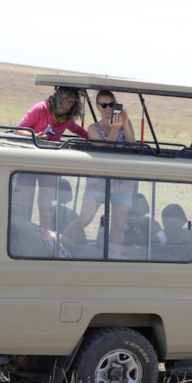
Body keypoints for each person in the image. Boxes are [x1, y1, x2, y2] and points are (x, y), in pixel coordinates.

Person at [61, 91, 137, 258]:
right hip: (99, 182)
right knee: (84, 219)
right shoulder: (92, 128)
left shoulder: (125, 122)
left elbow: (133, 146)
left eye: (111, 104)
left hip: (123, 183)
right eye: (104, 105)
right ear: (97, 107)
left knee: (118, 225)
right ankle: (59, 248)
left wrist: (124, 123)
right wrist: (114, 130)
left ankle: (114, 260)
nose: (108, 108)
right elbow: (103, 151)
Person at [13, 87, 89, 228]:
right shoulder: (40, 109)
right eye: (67, 100)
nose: (69, 105)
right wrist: (34, 136)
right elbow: (17, 130)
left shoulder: (66, 119)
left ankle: (45, 236)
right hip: (29, 160)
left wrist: (97, 138)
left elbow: (80, 131)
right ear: (58, 96)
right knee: (24, 202)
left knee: (45, 203)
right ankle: (24, 234)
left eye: (72, 102)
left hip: (48, 164)